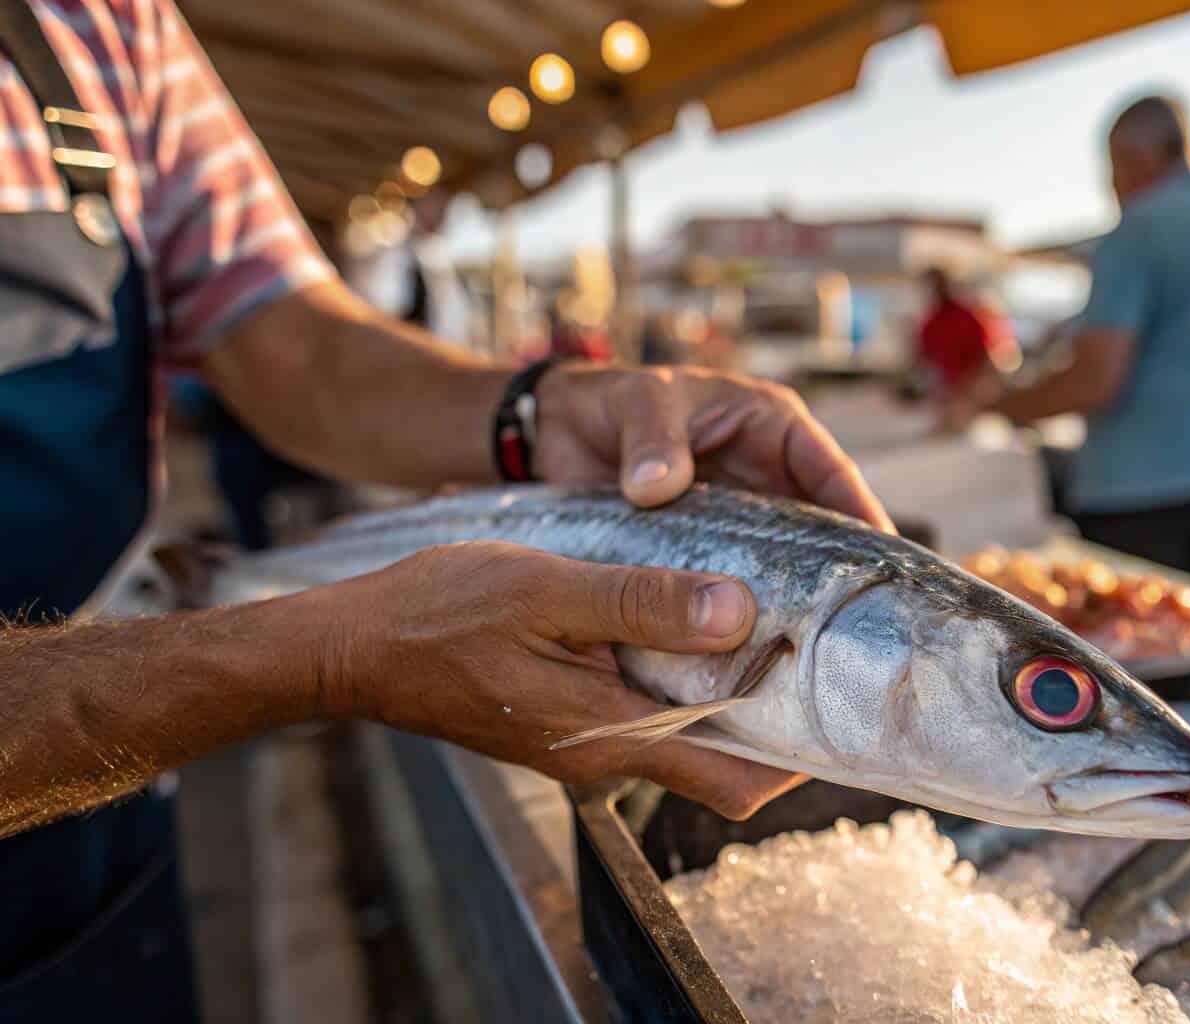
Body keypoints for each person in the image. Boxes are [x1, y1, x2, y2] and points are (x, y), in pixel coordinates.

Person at [0, 2, 891, 1019]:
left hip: (103, 844)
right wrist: (327, 653)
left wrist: (535, 408)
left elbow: (284, 332)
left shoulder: (97, 23)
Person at [990, 93, 1190, 590]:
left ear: (1136, 157)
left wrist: (1003, 406)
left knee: (1138, 652)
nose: (1110, 185)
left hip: (1146, 487)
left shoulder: (1137, 229)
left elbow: (1095, 381)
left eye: (1111, 168)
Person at [914, 266, 1016, 432]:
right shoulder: (931, 322)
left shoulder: (967, 315)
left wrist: (969, 386)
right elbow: (924, 357)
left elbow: (985, 353)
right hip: (949, 389)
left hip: (972, 387)